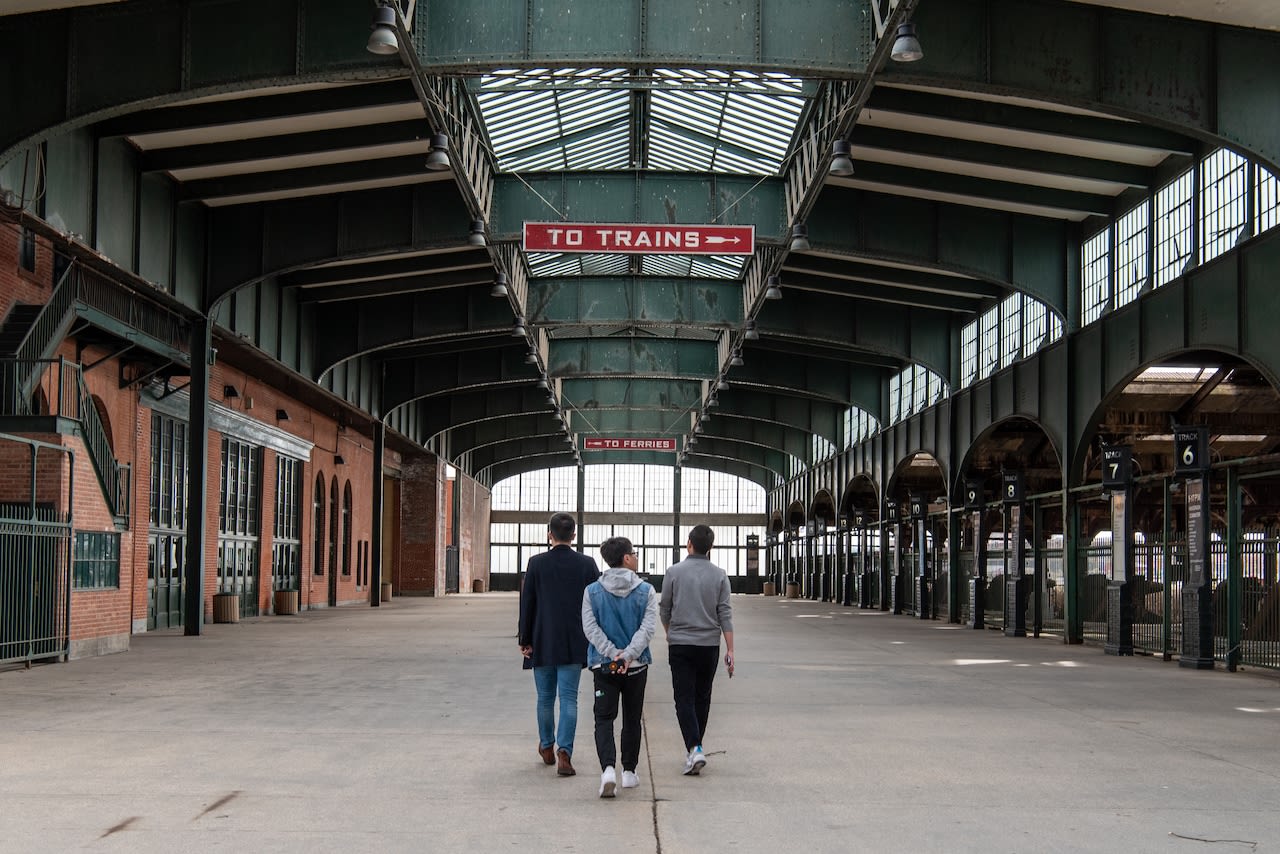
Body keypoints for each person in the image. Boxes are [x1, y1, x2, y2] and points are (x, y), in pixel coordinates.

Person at [518, 512, 600, 777]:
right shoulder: (587, 564)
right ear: (574, 535)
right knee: (569, 698)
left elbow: (527, 603)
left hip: (542, 638)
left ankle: (546, 746)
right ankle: (565, 752)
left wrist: (525, 639)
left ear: (549, 534)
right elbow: (595, 605)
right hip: (575, 641)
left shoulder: (536, 563)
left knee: (544, 698)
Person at [581, 536, 657, 798]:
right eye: (634, 553)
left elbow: (590, 629)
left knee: (604, 718)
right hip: (636, 667)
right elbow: (648, 629)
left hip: (604, 666)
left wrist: (613, 654)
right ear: (626, 558)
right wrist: (628, 655)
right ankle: (629, 772)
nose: (636, 557)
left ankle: (608, 770)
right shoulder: (646, 591)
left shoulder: (591, 591)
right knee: (632, 717)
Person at [659, 524, 734, 776]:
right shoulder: (720, 575)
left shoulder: (673, 572)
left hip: (681, 643)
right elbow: (724, 613)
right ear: (710, 547)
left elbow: (664, 608)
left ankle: (694, 747)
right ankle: (696, 748)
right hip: (709, 646)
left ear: (688, 543)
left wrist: (670, 632)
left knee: (684, 698)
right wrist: (730, 650)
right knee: (702, 697)